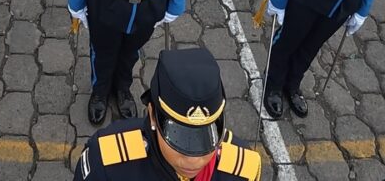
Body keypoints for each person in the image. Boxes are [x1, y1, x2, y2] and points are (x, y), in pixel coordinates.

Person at [72, 46, 262, 181]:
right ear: (153, 115)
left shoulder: (243, 169)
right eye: (179, 137)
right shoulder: (107, 163)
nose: (194, 160)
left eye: (206, 139)